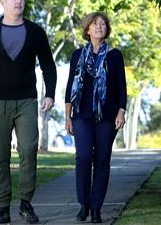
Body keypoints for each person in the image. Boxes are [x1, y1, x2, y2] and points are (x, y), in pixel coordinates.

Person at [0, 0, 57, 224]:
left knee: (29, 150)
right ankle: (2, 207)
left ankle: (26, 204)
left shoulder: (36, 32)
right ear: (3, 2)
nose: (19, 1)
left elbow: (48, 66)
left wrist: (49, 94)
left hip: (27, 101)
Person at [65, 12, 127, 223]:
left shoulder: (115, 55)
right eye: (95, 24)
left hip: (107, 117)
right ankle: (83, 204)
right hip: (81, 114)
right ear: (87, 30)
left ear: (106, 29)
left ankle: (96, 207)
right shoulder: (77, 56)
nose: (99, 26)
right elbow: (70, 88)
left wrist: (121, 111)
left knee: (102, 161)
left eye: (102, 24)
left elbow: (121, 87)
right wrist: (67, 116)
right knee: (83, 157)